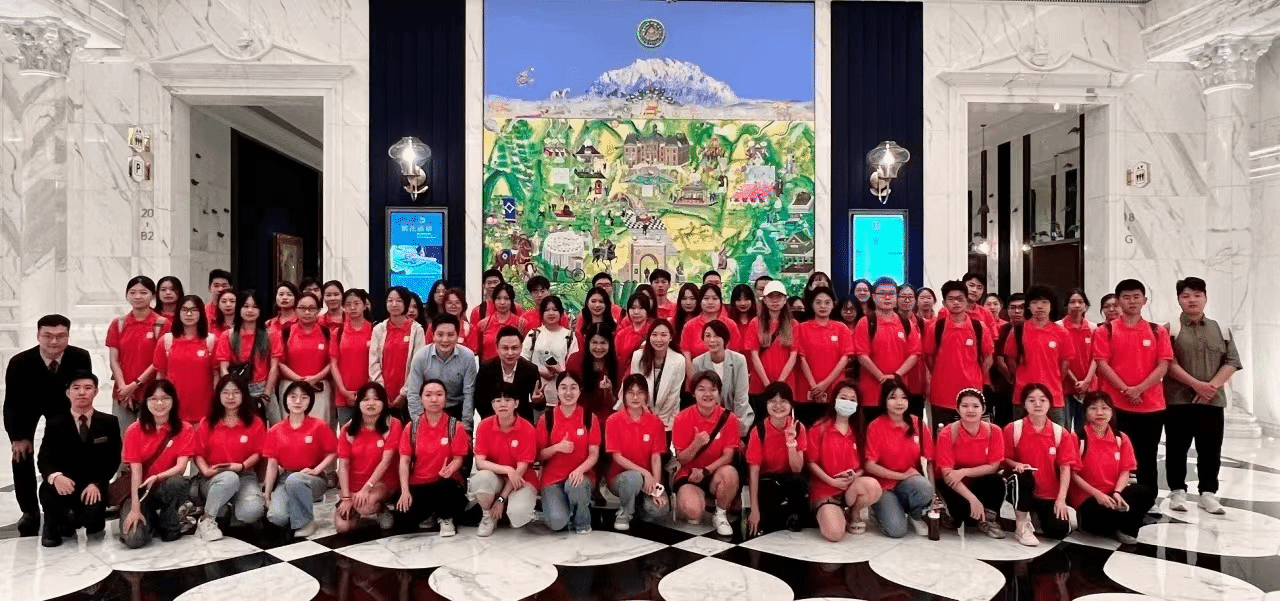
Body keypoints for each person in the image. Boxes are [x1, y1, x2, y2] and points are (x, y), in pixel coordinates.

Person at [4, 314, 92, 536]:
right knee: (21, 455)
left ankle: (66, 506)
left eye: (61, 336)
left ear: (68, 336)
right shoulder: (19, 362)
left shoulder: (80, 357)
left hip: (63, 406)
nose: (54, 341)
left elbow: (82, 390)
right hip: (28, 406)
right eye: (48, 336)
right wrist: (17, 437)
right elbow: (12, 403)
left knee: (68, 451)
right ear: (38, 336)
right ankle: (29, 511)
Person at [1163, 276, 1241, 515]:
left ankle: (1208, 493)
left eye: (1197, 295)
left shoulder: (1221, 329)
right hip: (1178, 400)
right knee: (1176, 448)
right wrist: (1197, 385)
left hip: (1213, 401)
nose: (1192, 300)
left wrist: (1211, 387)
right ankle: (1177, 491)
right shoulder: (1170, 329)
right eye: (1186, 296)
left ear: (1205, 298)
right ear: (1179, 300)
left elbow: (1232, 361)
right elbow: (1168, 363)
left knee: (1210, 449)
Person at [1092, 279, 1173, 490]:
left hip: (1151, 405)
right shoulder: (1105, 331)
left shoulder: (1157, 331)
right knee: (1114, 452)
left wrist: (1138, 390)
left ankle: (1147, 497)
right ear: (1119, 301)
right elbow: (1102, 364)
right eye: (1126, 297)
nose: (1132, 301)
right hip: (1115, 404)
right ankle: (1114, 494)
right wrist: (1125, 390)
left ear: (1145, 300)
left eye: (1136, 297)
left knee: (1148, 454)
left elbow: (1163, 365)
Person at [38, 372, 121, 547]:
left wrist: (97, 483)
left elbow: (113, 459)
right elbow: (44, 458)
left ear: (96, 392)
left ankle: (82, 516)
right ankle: (52, 525)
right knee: (52, 500)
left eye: (88, 388)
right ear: (68, 393)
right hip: (64, 484)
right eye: (76, 388)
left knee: (94, 525)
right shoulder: (55, 423)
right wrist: (56, 477)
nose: (82, 392)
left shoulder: (109, 422)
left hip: (92, 485)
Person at [1070, 392, 1156, 544]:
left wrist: (1117, 492)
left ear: (1112, 412)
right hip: (1088, 497)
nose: (1099, 413)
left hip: (1112, 493)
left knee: (1146, 493)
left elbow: (1125, 470)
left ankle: (1122, 526)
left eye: (1104, 408)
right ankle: (1119, 523)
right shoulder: (1078, 438)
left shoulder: (1121, 438)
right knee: (1101, 518)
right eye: (1093, 408)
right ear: (1085, 412)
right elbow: (1072, 474)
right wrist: (1098, 495)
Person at [118, 380, 194, 548]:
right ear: (145, 402)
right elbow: (136, 472)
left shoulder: (185, 429)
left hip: (164, 487)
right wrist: (135, 509)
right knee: (134, 540)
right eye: (153, 398)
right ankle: (150, 517)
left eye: (165, 398)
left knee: (178, 482)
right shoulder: (134, 430)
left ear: (173, 401)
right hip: (139, 491)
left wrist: (157, 477)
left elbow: (181, 467)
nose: (159, 403)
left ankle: (169, 523)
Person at [192, 376, 266, 542]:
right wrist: (206, 471)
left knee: (252, 512)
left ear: (243, 394)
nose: (230, 397)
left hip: (245, 475)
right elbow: (197, 453)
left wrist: (242, 466)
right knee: (229, 478)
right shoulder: (208, 422)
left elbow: (258, 452)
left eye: (235, 392)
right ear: (218, 395)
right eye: (225, 392)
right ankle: (207, 519)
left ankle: (227, 509)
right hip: (213, 478)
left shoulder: (255, 422)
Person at [1003, 383, 1078, 546]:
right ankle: (1022, 526)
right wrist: (1017, 464)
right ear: (1024, 404)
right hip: (1022, 486)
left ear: (1050, 403)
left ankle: (1037, 513)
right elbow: (1004, 459)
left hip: (1049, 492)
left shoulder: (1060, 433)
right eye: (1032, 400)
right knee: (1024, 476)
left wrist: (1061, 499)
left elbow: (1065, 468)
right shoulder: (1013, 429)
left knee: (1058, 530)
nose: (1037, 404)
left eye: (1042, 400)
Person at [807, 380, 882, 541]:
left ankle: (853, 512)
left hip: (850, 488)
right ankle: (829, 513)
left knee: (873, 486)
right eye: (843, 398)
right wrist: (831, 481)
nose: (847, 402)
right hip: (825, 489)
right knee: (834, 534)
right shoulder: (819, 428)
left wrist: (856, 475)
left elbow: (864, 465)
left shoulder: (859, 431)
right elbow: (811, 462)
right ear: (834, 400)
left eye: (852, 399)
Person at [263, 381, 338, 538]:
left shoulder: (318, 426)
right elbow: (272, 464)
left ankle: (306, 522)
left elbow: (334, 452)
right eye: (293, 397)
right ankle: (296, 506)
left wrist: (316, 470)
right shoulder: (275, 430)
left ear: (310, 401)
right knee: (276, 517)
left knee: (296, 480)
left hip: (313, 479)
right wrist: (267, 494)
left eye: (304, 397)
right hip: (285, 478)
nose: (298, 401)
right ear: (286, 400)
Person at [394, 379, 469, 536]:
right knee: (402, 521)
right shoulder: (411, 428)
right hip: (419, 484)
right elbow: (404, 461)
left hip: (445, 483)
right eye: (428, 395)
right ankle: (433, 512)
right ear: (421, 399)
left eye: (439, 395)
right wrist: (405, 491)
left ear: (445, 399)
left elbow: (459, 458)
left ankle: (445, 517)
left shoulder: (455, 426)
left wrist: (450, 469)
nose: (434, 399)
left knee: (446, 489)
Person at [671, 370, 740, 536]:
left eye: (712, 389)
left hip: (714, 472)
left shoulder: (730, 418)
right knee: (693, 513)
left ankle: (720, 514)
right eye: (701, 389)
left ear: (719, 392)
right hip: (689, 475)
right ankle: (701, 500)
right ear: (694, 393)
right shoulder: (681, 418)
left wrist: (705, 471)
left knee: (730, 473)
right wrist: (696, 444)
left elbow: (728, 456)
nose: (707, 394)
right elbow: (681, 459)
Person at [864, 380, 935, 538]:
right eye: (893, 397)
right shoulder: (875, 426)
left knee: (925, 487)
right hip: (883, 486)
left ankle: (915, 514)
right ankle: (880, 510)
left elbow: (930, 460)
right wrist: (900, 476)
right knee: (897, 531)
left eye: (903, 397)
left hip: (909, 483)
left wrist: (933, 494)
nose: (899, 402)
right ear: (884, 400)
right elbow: (869, 465)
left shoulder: (918, 424)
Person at [934, 389, 1005, 538]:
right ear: (957, 409)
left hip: (977, 481)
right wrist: (972, 499)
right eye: (965, 406)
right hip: (953, 484)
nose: (970, 410)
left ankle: (988, 519)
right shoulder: (947, 434)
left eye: (975, 406)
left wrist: (963, 472)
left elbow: (994, 466)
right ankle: (952, 512)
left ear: (983, 409)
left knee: (997, 481)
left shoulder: (994, 431)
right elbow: (947, 475)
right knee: (965, 520)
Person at [469, 383, 538, 537]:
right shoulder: (484, 426)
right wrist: (507, 469)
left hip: (521, 480)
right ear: (492, 405)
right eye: (498, 400)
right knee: (481, 479)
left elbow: (520, 470)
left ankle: (505, 509)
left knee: (518, 516)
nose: (502, 404)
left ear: (516, 403)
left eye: (507, 400)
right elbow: (480, 462)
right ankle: (488, 516)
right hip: (496, 478)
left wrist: (501, 499)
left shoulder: (527, 429)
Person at [536, 372, 601, 533]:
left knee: (575, 485)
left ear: (580, 391)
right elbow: (539, 455)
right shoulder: (547, 419)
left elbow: (593, 454)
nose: (568, 392)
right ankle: (564, 507)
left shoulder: (589, 418)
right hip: (552, 479)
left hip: (580, 476)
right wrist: (556, 447)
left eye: (573, 388)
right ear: (557, 391)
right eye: (563, 388)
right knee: (557, 523)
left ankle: (582, 522)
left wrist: (580, 470)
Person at [924, 281, 993, 428]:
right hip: (942, 395)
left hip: (971, 394)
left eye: (960, 298)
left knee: (970, 435)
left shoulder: (979, 327)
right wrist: (940, 373)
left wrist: (976, 375)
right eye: (951, 299)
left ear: (967, 300)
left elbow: (988, 357)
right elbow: (929, 357)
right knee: (942, 436)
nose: (956, 302)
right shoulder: (935, 327)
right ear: (944, 303)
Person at [1001, 286, 1073, 425]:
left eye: (1044, 302)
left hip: (1054, 395)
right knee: (1021, 434)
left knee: (1056, 435)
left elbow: (1064, 365)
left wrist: (1053, 379)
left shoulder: (1062, 333)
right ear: (1028, 306)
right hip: (1023, 395)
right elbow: (1010, 360)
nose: (1039, 306)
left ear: (1051, 305)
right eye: (1035, 302)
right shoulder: (1018, 331)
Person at [744, 382, 808, 538]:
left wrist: (791, 442)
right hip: (767, 481)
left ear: (791, 405)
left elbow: (797, 469)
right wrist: (754, 510)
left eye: (783, 401)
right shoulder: (758, 431)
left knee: (800, 482)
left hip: (789, 478)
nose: (778, 406)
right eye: (773, 401)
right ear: (766, 404)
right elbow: (754, 472)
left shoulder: (798, 428)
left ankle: (792, 513)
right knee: (768, 499)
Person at [605, 375, 669, 531]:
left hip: (647, 480)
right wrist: (644, 473)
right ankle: (624, 513)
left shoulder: (655, 423)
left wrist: (656, 487)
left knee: (659, 510)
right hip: (621, 478)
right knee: (633, 478)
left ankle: (637, 503)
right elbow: (617, 457)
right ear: (623, 395)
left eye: (640, 392)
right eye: (630, 392)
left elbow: (656, 457)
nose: (635, 397)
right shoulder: (613, 421)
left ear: (646, 395)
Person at [336, 382, 401, 533]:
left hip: (382, 483)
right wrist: (346, 498)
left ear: (384, 402)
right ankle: (355, 505)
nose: (371, 403)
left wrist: (366, 488)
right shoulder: (347, 429)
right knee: (343, 528)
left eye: (376, 399)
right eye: (365, 399)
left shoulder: (393, 424)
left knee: (366, 505)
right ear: (358, 403)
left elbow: (386, 461)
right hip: (354, 485)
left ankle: (380, 508)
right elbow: (343, 466)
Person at [853, 277, 921, 420]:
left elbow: (914, 354)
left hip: (899, 391)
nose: (887, 297)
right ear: (873, 297)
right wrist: (881, 377)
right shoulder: (865, 322)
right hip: (871, 393)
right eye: (882, 294)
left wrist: (896, 376)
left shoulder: (906, 323)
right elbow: (861, 355)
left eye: (891, 294)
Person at [107, 276, 166, 435]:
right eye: (132, 292)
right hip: (122, 394)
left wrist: (134, 385)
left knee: (151, 438)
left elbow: (158, 361)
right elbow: (114, 359)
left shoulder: (162, 324)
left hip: (151, 393)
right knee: (123, 441)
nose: (137, 296)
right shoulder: (118, 323)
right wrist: (123, 388)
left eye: (143, 292)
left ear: (153, 295)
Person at [153, 296, 218, 425]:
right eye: (184, 309)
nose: (189, 314)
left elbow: (216, 375)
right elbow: (160, 377)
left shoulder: (211, 341)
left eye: (194, 310)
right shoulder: (166, 341)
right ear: (178, 312)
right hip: (173, 411)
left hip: (204, 412)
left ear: (201, 313)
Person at [406, 313, 478, 427]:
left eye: (450, 335)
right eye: (440, 335)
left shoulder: (467, 357)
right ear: (433, 335)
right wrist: (419, 423)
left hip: (456, 408)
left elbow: (469, 393)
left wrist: (466, 425)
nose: (445, 340)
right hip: (428, 408)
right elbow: (413, 393)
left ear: (457, 335)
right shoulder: (420, 357)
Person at [216, 290, 280, 418]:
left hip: (264, 388)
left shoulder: (271, 334)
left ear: (260, 310)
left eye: (255, 306)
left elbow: (274, 367)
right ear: (239, 308)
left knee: (276, 425)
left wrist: (266, 395)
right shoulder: (227, 335)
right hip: (239, 388)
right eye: (245, 306)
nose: (250, 310)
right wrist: (233, 390)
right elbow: (223, 368)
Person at [795, 286, 853, 424]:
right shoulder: (802, 328)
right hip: (806, 390)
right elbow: (801, 358)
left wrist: (824, 385)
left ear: (833, 304)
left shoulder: (841, 328)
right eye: (818, 302)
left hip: (834, 390)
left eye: (827, 302)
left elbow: (845, 358)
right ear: (812, 304)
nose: (823, 306)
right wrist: (814, 387)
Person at [274, 292, 334, 423]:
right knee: (292, 426)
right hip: (290, 386)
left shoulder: (326, 332)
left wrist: (315, 378)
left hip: (319, 387)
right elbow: (279, 363)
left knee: (319, 427)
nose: (307, 312)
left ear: (318, 310)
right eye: (302, 308)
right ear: (295, 310)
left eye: (312, 308)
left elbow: (332, 362)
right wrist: (299, 380)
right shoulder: (285, 332)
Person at [689, 320, 753, 436]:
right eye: (708, 336)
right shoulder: (698, 362)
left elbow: (741, 399)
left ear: (725, 339)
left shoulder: (739, 360)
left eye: (717, 336)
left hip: (738, 417)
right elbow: (701, 397)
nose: (712, 340)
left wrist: (736, 429)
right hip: (709, 419)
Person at [370, 286, 427, 414]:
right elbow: (373, 362)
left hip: (410, 394)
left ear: (406, 303)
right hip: (383, 394)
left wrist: (404, 393)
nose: (394, 304)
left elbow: (418, 365)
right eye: (390, 300)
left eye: (399, 300)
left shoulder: (417, 330)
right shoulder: (378, 329)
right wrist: (381, 391)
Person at [744, 280, 799, 397]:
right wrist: (767, 384)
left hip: (786, 384)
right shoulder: (755, 323)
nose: (775, 301)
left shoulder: (793, 324)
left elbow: (793, 356)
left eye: (779, 297)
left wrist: (780, 383)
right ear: (764, 299)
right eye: (770, 297)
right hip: (759, 384)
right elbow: (754, 356)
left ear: (785, 300)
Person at [521, 296, 578, 407]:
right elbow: (522, 360)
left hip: (562, 395)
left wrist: (560, 371)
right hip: (536, 395)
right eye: (547, 310)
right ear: (542, 313)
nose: (551, 313)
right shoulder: (534, 334)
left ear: (561, 312)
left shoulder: (570, 336)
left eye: (555, 309)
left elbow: (573, 366)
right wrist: (540, 371)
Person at [475, 326, 541, 422]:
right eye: (505, 348)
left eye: (514, 348)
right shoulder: (486, 369)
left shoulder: (530, 369)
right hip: (493, 421)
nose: (510, 353)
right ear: (497, 348)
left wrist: (538, 401)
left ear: (521, 348)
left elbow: (539, 405)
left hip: (522, 422)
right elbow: (479, 401)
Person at [329, 288, 374, 426]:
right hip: (344, 395)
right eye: (348, 304)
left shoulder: (374, 330)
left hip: (370, 394)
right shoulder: (338, 332)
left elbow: (378, 362)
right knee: (346, 433)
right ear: (343, 307)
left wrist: (367, 391)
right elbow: (333, 364)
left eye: (356, 303)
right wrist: (343, 390)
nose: (352, 308)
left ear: (365, 305)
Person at [631, 320, 686, 430]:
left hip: (667, 417)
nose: (658, 339)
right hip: (641, 413)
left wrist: (659, 420)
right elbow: (636, 387)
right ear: (649, 337)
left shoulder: (679, 360)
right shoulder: (638, 356)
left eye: (663, 335)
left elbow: (674, 395)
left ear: (671, 337)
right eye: (654, 335)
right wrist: (646, 413)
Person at [1059, 288, 1098, 434]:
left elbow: (1097, 357)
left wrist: (1086, 381)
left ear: (1085, 306)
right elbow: (1059, 358)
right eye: (1072, 302)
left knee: (1086, 431)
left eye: (1080, 302)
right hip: (1065, 387)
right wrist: (1075, 381)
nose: (1076, 305)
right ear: (1066, 305)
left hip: (1089, 387)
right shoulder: (1058, 327)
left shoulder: (1093, 328)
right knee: (1065, 430)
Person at [566, 323, 618, 425]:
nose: (598, 347)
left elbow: (615, 404)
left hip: (608, 420)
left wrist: (608, 391)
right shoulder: (575, 360)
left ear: (610, 344)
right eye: (594, 342)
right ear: (587, 342)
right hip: (580, 417)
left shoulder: (618, 364)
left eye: (603, 343)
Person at [680, 284, 740, 363]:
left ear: (720, 301)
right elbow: (686, 354)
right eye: (706, 298)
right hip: (697, 369)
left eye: (715, 298)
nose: (710, 302)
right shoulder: (689, 326)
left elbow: (735, 353)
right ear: (700, 301)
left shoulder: (730, 325)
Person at [475, 283, 523, 363]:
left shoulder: (521, 323)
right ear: (494, 300)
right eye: (498, 298)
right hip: (488, 368)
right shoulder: (483, 324)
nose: (502, 302)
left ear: (512, 301)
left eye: (506, 298)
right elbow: (478, 351)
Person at [616, 293, 655, 377]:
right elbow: (617, 361)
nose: (636, 312)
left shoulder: (654, 333)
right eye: (633, 308)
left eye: (641, 308)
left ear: (647, 310)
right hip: (624, 378)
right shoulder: (621, 334)